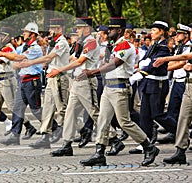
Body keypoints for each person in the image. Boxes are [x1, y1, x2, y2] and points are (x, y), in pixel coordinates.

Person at [79, 17, 160, 167]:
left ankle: (149, 147)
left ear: (120, 31)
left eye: (112, 29)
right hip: (108, 87)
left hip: (119, 88)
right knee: (103, 120)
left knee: (124, 122)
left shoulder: (125, 46)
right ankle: (99, 153)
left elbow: (113, 65)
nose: (109, 31)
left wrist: (92, 71)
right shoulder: (113, 46)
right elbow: (105, 62)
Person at [47, 17, 100, 156]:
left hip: (86, 81)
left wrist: (59, 70)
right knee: (70, 112)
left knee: (94, 112)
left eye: (79, 28)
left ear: (87, 29)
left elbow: (80, 61)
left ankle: (112, 138)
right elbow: (74, 59)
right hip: (77, 81)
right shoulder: (81, 43)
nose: (76, 30)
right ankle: (67, 144)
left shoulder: (91, 42)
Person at [18, 18, 70, 148]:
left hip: (59, 78)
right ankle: (45, 137)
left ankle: (73, 133)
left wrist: (30, 62)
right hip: (51, 78)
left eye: (53, 29)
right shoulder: (53, 43)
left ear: (60, 29)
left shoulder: (62, 42)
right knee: (47, 109)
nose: (50, 31)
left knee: (62, 109)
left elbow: (48, 58)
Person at [0, 22, 43, 145]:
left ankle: (54, 127)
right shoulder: (24, 46)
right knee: (17, 109)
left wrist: (3, 54)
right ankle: (15, 135)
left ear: (32, 34)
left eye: (26, 32)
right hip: (23, 81)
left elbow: (18, 58)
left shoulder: (35, 48)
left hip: (32, 81)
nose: (23, 33)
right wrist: (10, 56)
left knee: (36, 110)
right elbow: (15, 57)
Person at [153, 25, 191, 164]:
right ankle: (180, 151)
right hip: (186, 83)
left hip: (185, 83)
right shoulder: (180, 47)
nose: (175, 36)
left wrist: (165, 60)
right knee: (183, 117)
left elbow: (186, 57)